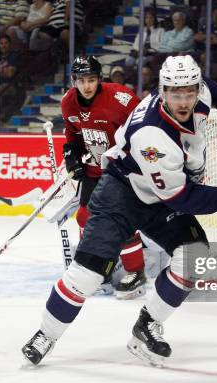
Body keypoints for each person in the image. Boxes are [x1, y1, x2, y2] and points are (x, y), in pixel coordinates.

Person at [22, 55, 217, 366]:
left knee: (193, 256)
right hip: (123, 193)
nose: (183, 101)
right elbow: (180, 197)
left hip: (161, 193)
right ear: (162, 91)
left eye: (189, 93)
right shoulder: (151, 136)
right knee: (88, 274)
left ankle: (146, 326)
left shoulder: (196, 89)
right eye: (176, 95)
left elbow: (211, 87)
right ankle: (46, 334)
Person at [60, 56, 148, 299]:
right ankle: (94, 268)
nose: (87, 85)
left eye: (92, 80)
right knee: (85, 217)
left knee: (121, 220)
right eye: (81, 80)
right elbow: (73, 133)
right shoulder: (69, 102)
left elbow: (146, 125)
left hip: (122, 169)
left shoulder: (120, 98)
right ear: (74, 81)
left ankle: (136, 272)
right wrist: (72, 154)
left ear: (99, 79)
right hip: (95, 168)